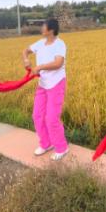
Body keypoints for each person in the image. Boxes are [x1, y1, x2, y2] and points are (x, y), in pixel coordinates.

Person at [22, 18, 69, 161]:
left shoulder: (59, 44)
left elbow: (58, 63)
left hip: (56, 84)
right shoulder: (40, 43)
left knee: (52, 118)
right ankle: (46, 143)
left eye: (43, 25)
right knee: (37, 115)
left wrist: (40, 67)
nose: (41, 27)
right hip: (42, 84)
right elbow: (26, 50)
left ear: (51, 29)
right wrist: (25, 59)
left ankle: (62, 147)